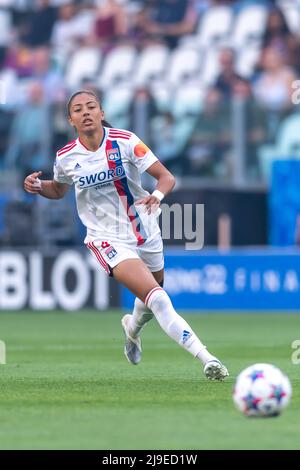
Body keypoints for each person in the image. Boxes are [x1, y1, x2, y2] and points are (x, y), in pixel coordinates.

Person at [23, 89, 229, 381]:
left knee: (149, 298)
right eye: (78, 110)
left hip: (145, 229)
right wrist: (37, 187)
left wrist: (156, 195)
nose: (86, 112)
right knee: (158, 298)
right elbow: (58, 189)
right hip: (106, 237)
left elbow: (166, 177)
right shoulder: (66, 157)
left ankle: (132, 328)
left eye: (91, 107)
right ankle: (207, 359)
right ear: (71, 120)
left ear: (102, 113)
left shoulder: (126, 141)